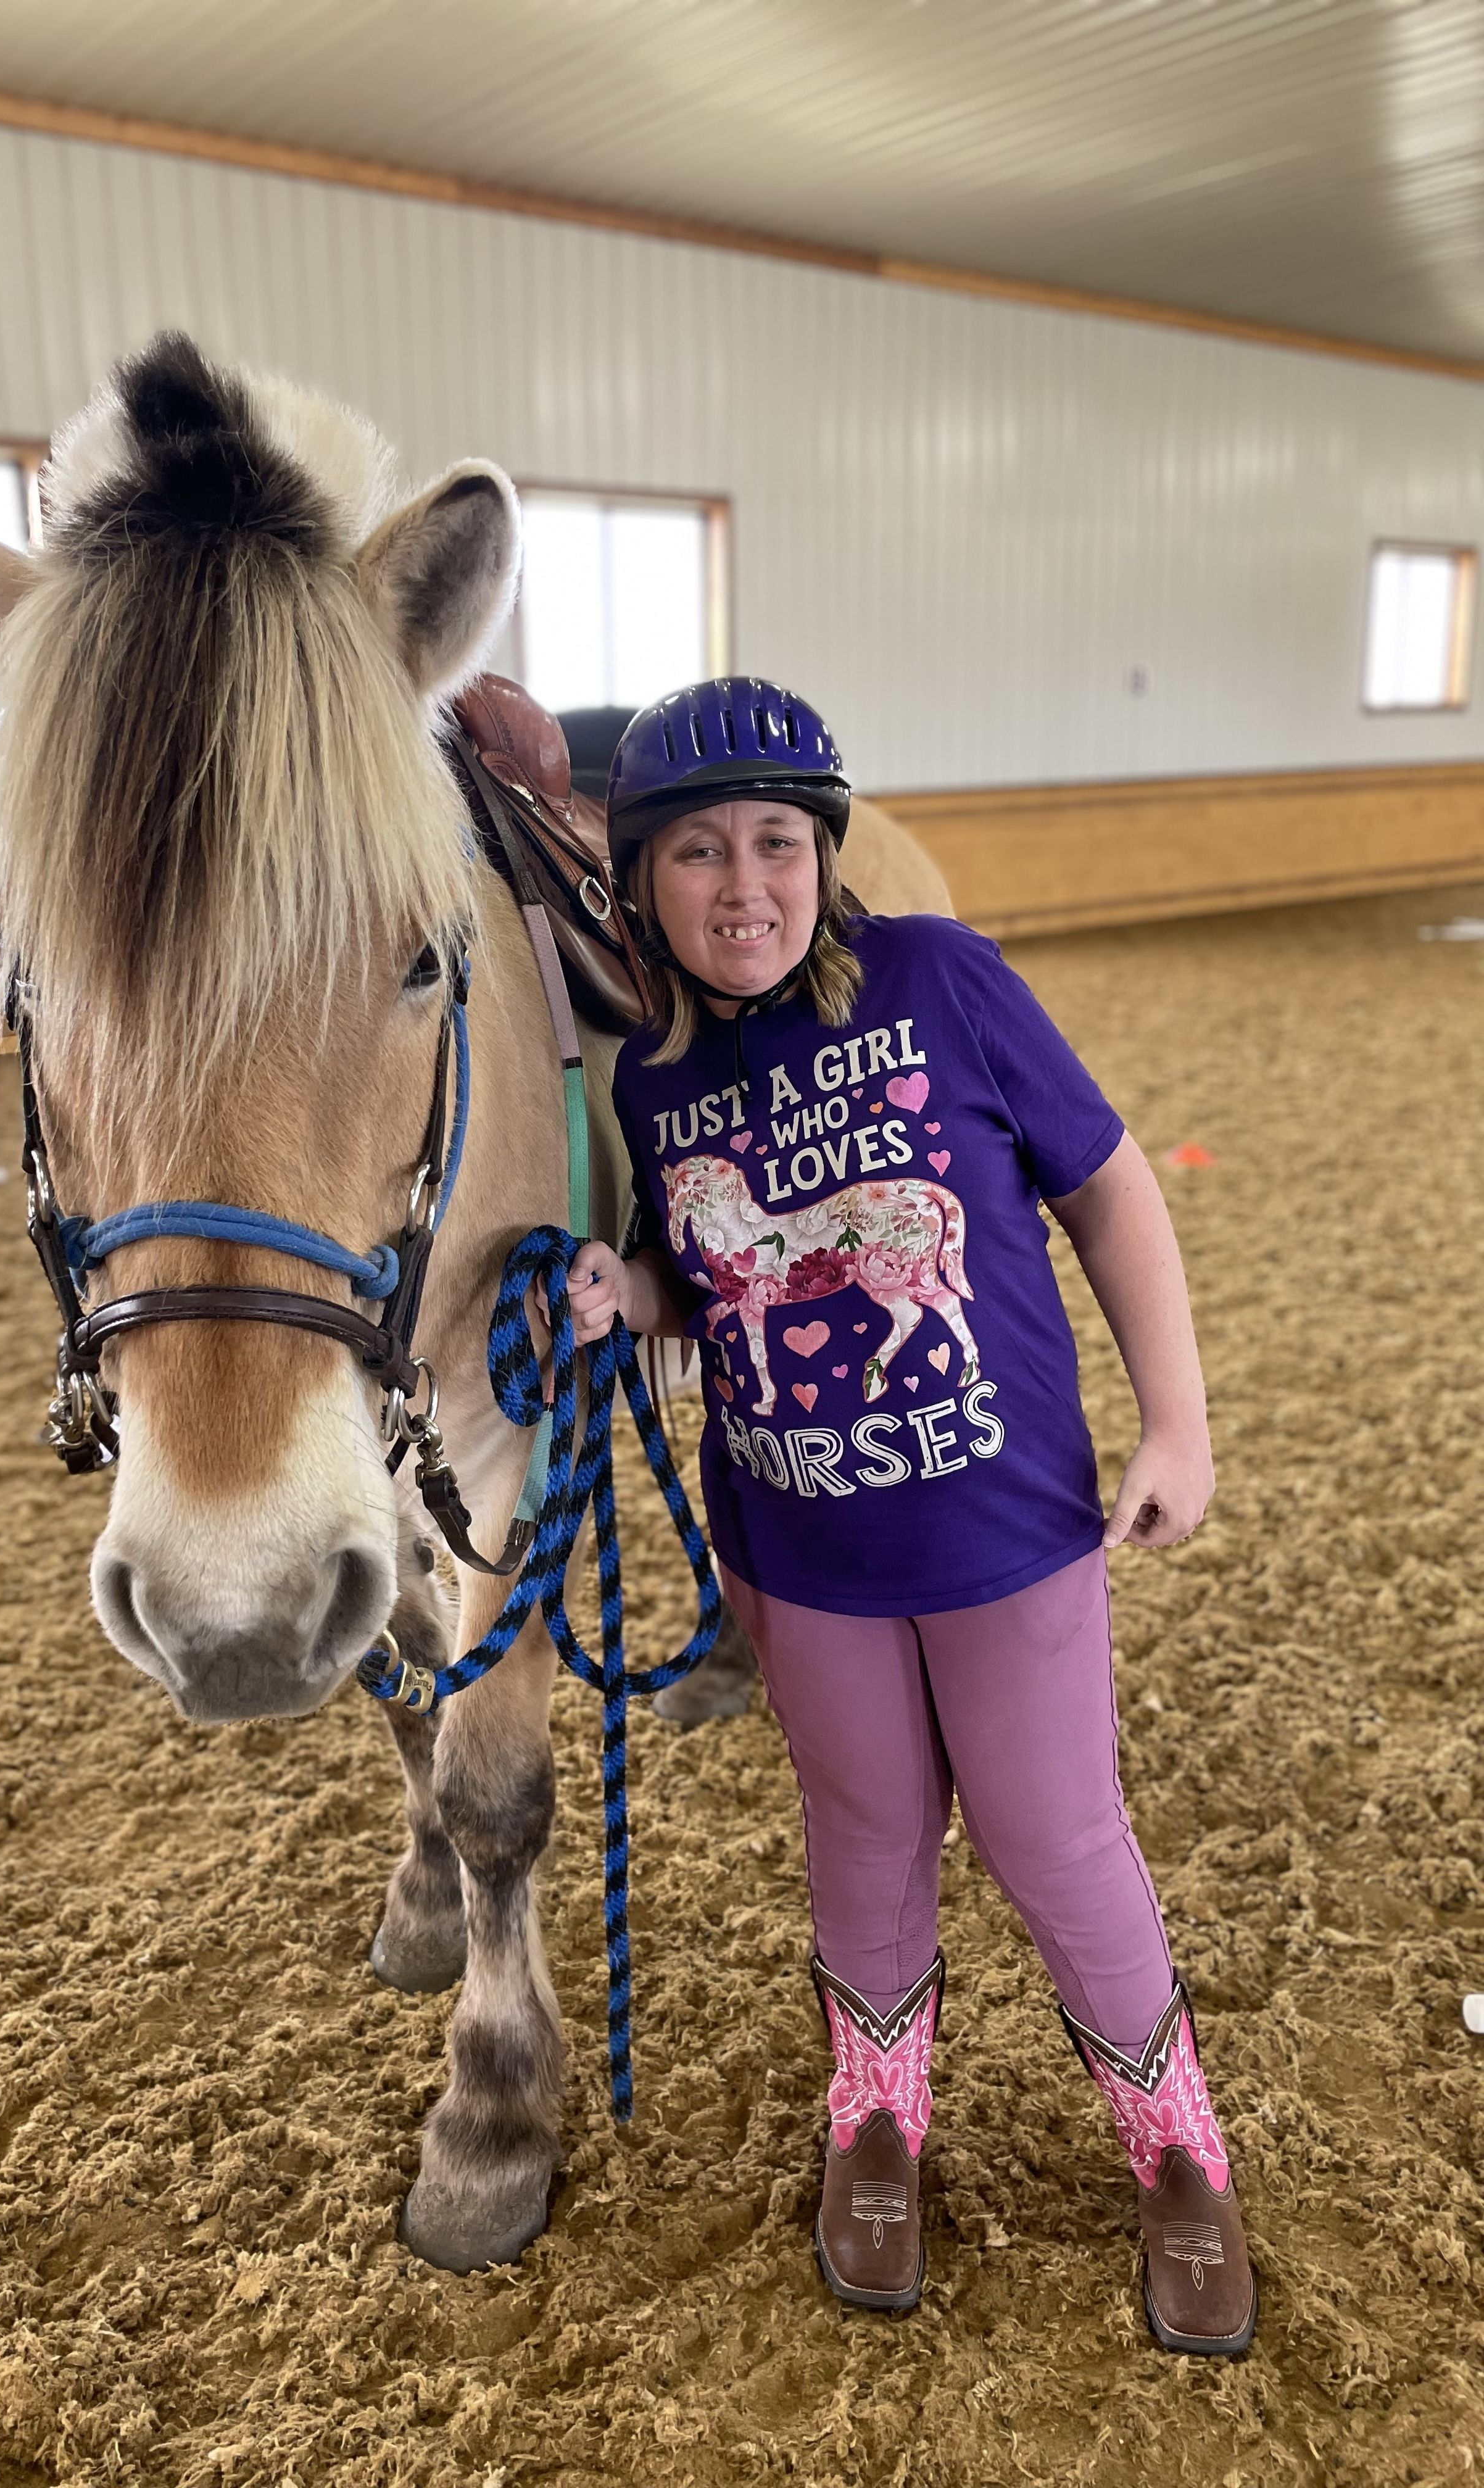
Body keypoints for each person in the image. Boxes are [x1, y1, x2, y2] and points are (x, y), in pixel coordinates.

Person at [567, 676, 1255, 2356]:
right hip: (805, 1556)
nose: (746, 886)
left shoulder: (948, 982)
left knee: (1054, 1837)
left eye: (781, 844)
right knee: (864, 1841)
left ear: (828, 853)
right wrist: (624, 1290)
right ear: (645, 879)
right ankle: (876, 2125)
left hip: (1005, 1532)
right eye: (702, 852)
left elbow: (1106, 1182)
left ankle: (1181, 2158)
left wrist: (1179, 1416)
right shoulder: (655, 1080)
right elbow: (718, 1278)